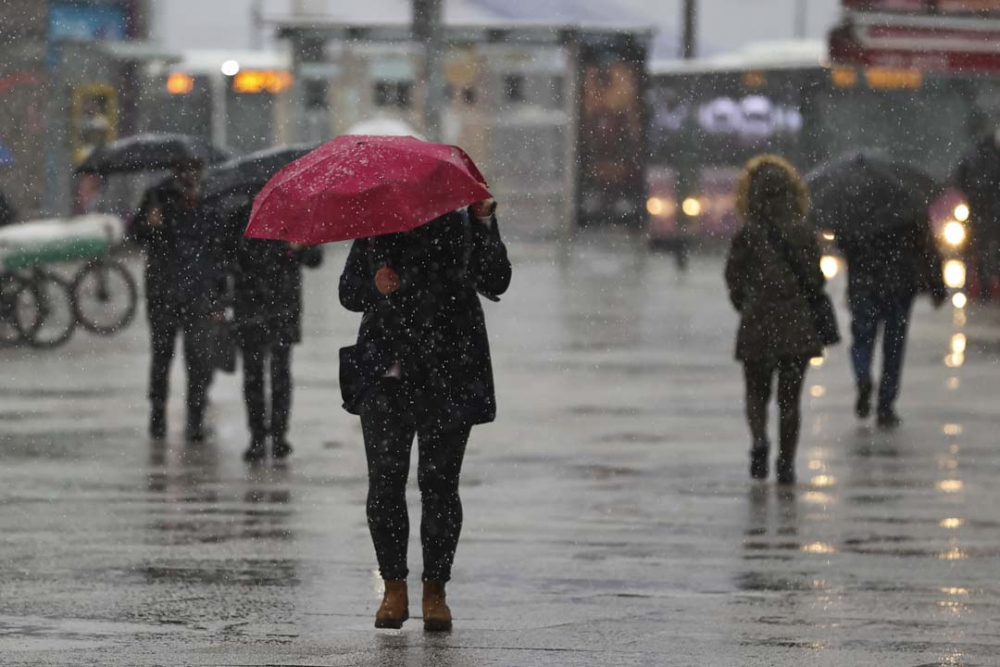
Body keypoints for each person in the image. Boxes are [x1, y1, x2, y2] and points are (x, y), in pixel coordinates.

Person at [339, 196, 510, 631]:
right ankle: (394, 589)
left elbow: (496, 279)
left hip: (448, 372)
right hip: (387, 373)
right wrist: (375, 284)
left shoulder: (463, 226)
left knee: (439, 484)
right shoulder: (375, 227)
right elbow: (348, 292)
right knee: (385, 483)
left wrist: (484, 221)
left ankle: (436, 590)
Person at [725, 155, 825, 484]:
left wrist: (747, 303)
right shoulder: (802, 233)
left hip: (757, 323)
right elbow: (815, 279)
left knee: (756, 392)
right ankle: (786, 463)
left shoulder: (748, 234)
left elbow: (733, 278)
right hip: (796, 326)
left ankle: (758, 440)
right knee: (790, 399)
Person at [133, 159, 223, 441]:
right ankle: (157, 414)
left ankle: (195, 419)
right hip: (163, 291)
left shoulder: (211, 197)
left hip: (199, 292)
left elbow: (220, 249)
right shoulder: (157, 195)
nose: (189, 175)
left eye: (194, 169)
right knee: (162, 355)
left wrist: (219, 296)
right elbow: (135, 235)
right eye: (184, 169)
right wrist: (151, 225)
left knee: (199, 359)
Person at [227, 202, 324, 462]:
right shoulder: (242, 216)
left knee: (281, 373)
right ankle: (258, 437)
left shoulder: (298, 215)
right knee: (254, 375)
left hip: (284, 307)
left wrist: (300, 248)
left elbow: (315, 259)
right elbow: (229, 255)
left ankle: (279, 436)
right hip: (250, 306)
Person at [837, 201, 947, 429]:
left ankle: (862, 376)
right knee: (894, 347)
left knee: (862, 340)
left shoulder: (858, 204)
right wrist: (936, 284)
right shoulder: (908, 204)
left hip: (864, 283)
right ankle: (885, 406)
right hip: (900, 284)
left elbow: (843, 243)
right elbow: (926, 246)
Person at [955, 130, 1000, 299]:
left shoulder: (976, 156)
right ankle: (983, 286)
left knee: (979, 250)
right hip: (981, 211)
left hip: (981, 211)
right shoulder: (978, 157)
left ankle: (983, 286)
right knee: (978, 250)